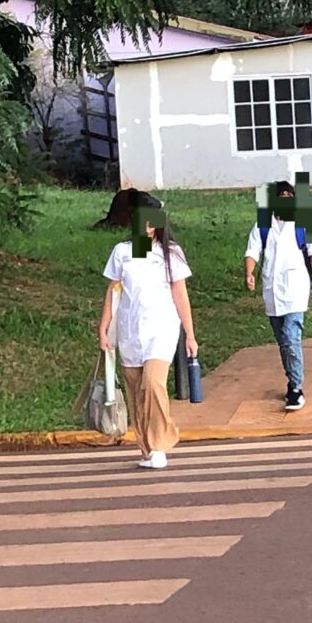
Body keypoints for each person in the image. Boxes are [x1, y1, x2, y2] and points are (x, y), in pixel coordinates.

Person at [98, 192, 196, 470]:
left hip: (161, 329)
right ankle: (147, 447)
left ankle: (161, 443)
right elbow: (114, 291)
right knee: (136, 391)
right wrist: (103, 328)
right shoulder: (123, 252)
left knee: (153, 384)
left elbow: (180, 294)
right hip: (130, 330)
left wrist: (189, 334)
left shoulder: (170, 253)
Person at [244, 180, 312, 411]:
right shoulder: (263, 225)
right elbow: (252, 251)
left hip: (296, 291)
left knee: (291, 338)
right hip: (272, 291)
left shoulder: (303, 223)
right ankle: (292, 378)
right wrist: (249, 272)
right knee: (283, 342)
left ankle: (296, 388)